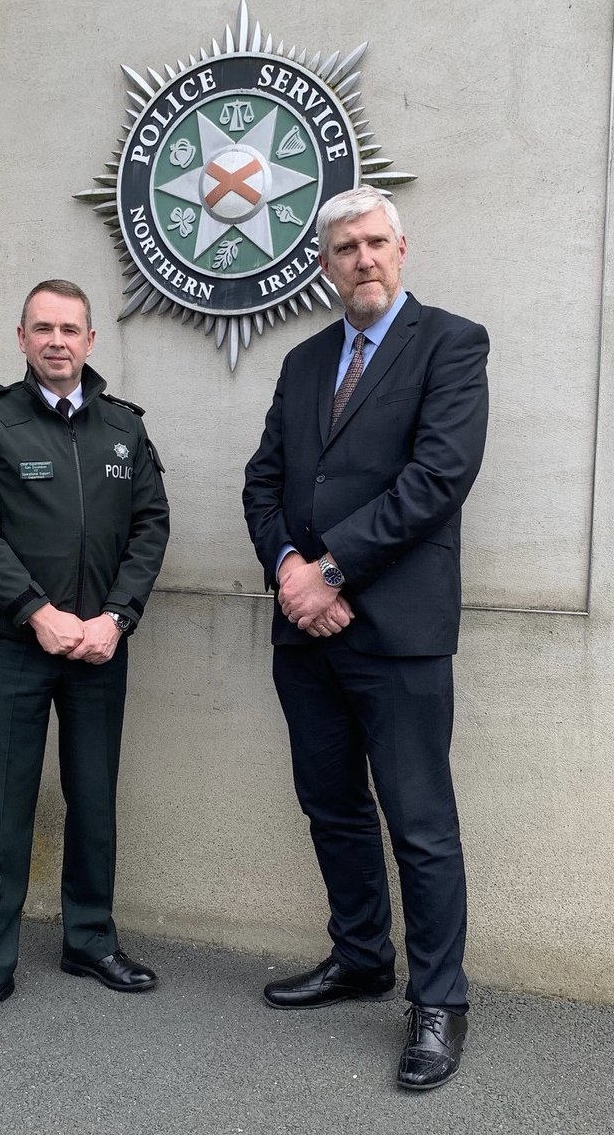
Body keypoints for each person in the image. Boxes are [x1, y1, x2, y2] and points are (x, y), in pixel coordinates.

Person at [242, 186, 489, 1090]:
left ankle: (438, 1002)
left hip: (399, 635)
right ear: (323, 264)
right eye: (344, 248)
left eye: (375, 242)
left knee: (419, 825)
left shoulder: (452, 346)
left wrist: (330, 571)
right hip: (306, 635)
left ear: (402, 246)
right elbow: (261, 482)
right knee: (332, 806)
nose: (363, 260)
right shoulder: (305, 361)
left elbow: (437, 479)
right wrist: (287, 572)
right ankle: (358, 958)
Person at [0, 279, 170, 1031]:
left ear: (91, 340)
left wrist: (116, 617)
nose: (56, 341)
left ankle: (89, 940)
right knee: (1, 805)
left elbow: (149, 528)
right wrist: (36, 612)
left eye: (70, 328)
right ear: (21, 337)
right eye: (42, 327)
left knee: (94, 798)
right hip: (16, 644)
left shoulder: (123, 430)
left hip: (100, 648)